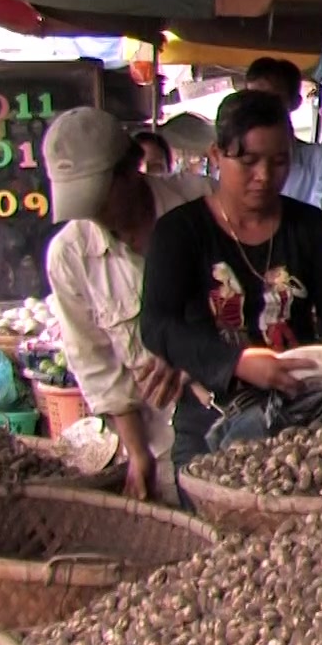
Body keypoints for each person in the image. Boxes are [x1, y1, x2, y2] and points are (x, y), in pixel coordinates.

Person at [142, 90, 322, 471]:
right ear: (217, 156)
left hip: (302, 421)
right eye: (249, 161)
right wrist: (238, 362)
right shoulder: (180, 231)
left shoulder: (309, 226)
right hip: (211, 420)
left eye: (279, 161)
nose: (265, 176)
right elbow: (156, 326)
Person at [44, 108, 214, 501]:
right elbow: (96, 362)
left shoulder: (202, 203)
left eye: (100, 199)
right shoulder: (69, 256)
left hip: (231, 422)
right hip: (159, 444)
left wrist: (187, 352)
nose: (95, 215)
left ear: (131, 168)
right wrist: (137, 454)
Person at [243, 56, 322, 231]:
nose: (260, 107)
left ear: (295, 103)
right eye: (252, 99)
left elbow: (318, 233)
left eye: (271, 99)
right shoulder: (235, 161)